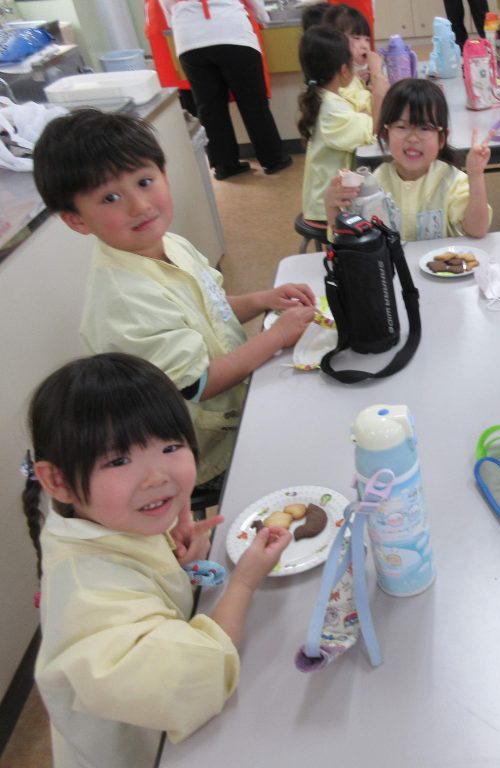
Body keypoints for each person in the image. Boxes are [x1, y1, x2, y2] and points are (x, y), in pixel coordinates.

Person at [24, 353, 293, 768]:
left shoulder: (108, 521)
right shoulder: (87, 597)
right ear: (57, 481)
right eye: (118, 460)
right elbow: (198, 680)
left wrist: (176, 562)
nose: (157, 476)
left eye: (170, 446)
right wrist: (243, 582)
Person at [32, 110, 316, 485]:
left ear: (164, 175)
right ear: (77, 219)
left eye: (145, 181)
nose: (139, 205)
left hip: (239, 399)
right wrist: (277, 335)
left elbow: (211, 306)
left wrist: (264, 299)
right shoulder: (124, 300)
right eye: (111, 197)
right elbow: (199, 383)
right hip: (203, 446)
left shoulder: (169, 244)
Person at [326, 79, 493, 241]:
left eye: (424, 128)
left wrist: (475, 176)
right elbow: (348, 238)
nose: (413, 138)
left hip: (442, 261)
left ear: (441, 139)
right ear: (385, 134)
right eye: (401, 127)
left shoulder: (452, 181)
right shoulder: (375, 184)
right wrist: (332, 206)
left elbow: (477, 229)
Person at [160, 0, 292, 179]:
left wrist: (179, 19)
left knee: (209, 107)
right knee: (253, 103)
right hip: (230, 30)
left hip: (188, 38)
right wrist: (263, 16)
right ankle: (273, 160)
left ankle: (224, 165)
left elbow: (166, 6)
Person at [298, 25, 378, 227]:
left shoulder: (326, 97)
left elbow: (362, 112)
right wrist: (377, 74)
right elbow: (374, 127)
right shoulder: (331, 108)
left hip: (330, 197)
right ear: (344, 70)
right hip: (326, 208)